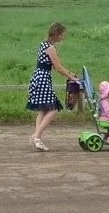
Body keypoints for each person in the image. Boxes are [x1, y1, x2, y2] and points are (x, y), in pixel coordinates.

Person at [26, 22, 78, 151]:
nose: (62, 37)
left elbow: (55, 67)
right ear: (55, 34)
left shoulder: (44, 45)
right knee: (53, 108)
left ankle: (37, 138)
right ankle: (36, 136)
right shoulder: (50, 48)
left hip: (39, 77)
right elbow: (58, 67)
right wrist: (71, 77)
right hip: (43, 79)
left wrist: (71, 74)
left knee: (43, 109)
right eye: (61, 34)